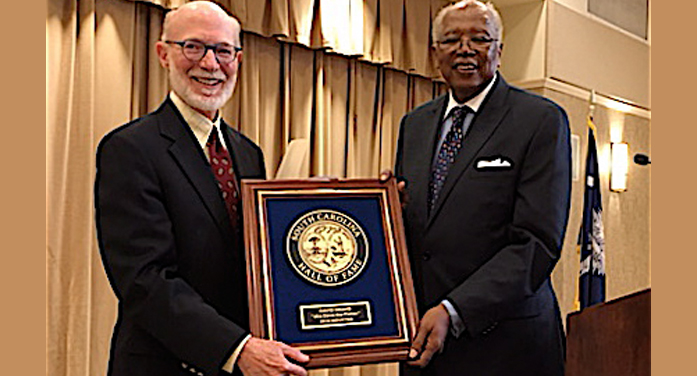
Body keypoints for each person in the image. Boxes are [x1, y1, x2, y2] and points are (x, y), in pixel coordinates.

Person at [94, 2, 309, 375]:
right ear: (163, 54)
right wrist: (236, 349)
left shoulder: (248, 153)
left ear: (238, 60)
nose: (210, 64)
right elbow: (145, 281)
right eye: (193, 47)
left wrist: (311, 214)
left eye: (223, 51)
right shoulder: (130, 149)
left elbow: (253, 262)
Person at [392, 1, 571, 375]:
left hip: (507, 346)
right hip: (425, 343)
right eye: (452, 39)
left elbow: (536, 243)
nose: (465, 49)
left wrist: (454, 310)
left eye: (480, 39)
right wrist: (382, 209)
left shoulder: (540, 120)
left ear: (499, 52)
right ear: (435, 51)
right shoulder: (415, 125)